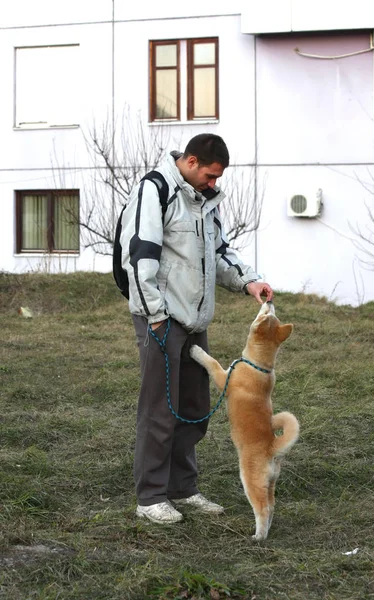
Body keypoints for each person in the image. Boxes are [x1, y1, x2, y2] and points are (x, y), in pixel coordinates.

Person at [120, 133, 273, 524]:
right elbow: (139, 255)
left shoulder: (204, 202)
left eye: (217, 177)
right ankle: (151, 496)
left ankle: (182, 489)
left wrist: (249, 281)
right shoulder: (153, 192)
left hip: (195, 320)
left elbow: (219, 252)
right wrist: (155, 315)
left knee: (193, 410)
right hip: (162, 319)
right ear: (189, 162)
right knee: (160, 410)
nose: (213, 183)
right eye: (209, 175)